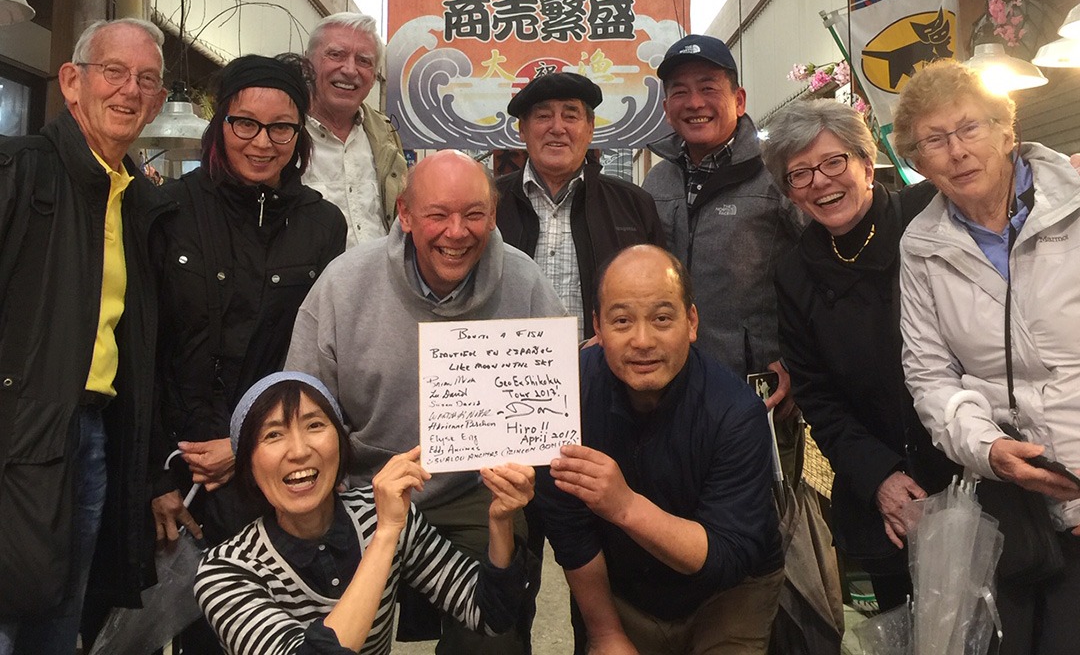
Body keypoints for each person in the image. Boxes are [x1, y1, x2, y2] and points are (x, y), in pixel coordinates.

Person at [287, 150, 565, 654]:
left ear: (493, 215)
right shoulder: (344, 284)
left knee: (494, 637)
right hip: (361, 487)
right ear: (405, 213)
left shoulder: (524, 282)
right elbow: (302, 401)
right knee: (332, 635)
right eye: (437, 214)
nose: (456, 232)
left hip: (474, 489)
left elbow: (554, 395)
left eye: (474, 214)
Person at [151, 54, 346, 651]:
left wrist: (244, 445)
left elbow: (317, 362)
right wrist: (154, 475)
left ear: (299, 133)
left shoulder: (323, 225)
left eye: (281, 127)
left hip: (272, 468)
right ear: (220, 124)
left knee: (280, 629)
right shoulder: (165, 211)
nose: (263, 142)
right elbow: (143, 354)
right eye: (245, 124)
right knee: (195, 632)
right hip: (180, 467)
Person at [894, 60, 1080, 655]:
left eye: (969, 128)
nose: (957, 151)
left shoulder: (1074, 206)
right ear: (918, 162)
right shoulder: (922, 245)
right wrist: (989, 449)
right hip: (1010, 502)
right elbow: (929, 375)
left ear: (1005, 130)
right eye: (934, 140)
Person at [0, 19, 170, 654]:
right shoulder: (19, 172)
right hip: (17, 433)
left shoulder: (135, 199)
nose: (129, 90)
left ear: (158, 101)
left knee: (59, 613)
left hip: (92, 433)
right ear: (72, 82)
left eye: (146, 80)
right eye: (114, 72)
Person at [537, 244, 784, 655]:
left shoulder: (737, 412)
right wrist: (605, 633)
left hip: (729, 592)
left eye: (662, 318)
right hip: (621, 588)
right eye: (621, 321)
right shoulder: (564, 395)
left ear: (691, 321)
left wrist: (624, 506)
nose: (642, 341)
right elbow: (569, 530)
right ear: (597, 327)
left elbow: (728, 554)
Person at [761, 99, 955, 611]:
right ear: (791, 193)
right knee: (899, 631)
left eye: (833, 162)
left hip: (977, 470)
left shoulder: (930, 212)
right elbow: (817, 396)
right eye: (800, 174)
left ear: (867, 165)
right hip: (881, 494)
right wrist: (880, 479)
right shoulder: (796, 272)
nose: (820, 182)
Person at [195, 371, 534, 655]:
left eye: (314, 425)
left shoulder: (380, 515)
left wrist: (500, 520)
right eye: (273, 434)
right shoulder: (225, 571)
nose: (298, 451)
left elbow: (490, 615)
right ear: (248, 464)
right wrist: (385, 536)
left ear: (341, 444)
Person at [642, 35, 802, 400]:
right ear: (667, 107)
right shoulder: (657, 181)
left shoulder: (776, 173)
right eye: (680, 92)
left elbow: (819, 270)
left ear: (739, 100)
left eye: (708, 88)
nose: (695, 103)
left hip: (757, 383)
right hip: (670, 381)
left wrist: (798, 360)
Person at [496, 71, 665, 342]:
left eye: (571, 116)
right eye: (543, 116)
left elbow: (659, 297)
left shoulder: (633, 206)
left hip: (605, 365)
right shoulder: (487, 204)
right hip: (506, 362)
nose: (557, 128)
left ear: (590, 128)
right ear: (522, 129)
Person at [303, 13, 407, 248]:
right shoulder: (282, 134)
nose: (350, 70)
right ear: (307, 63)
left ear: (374, 76)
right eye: (336, 55)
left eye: (363, 61)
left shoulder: (386, 135)